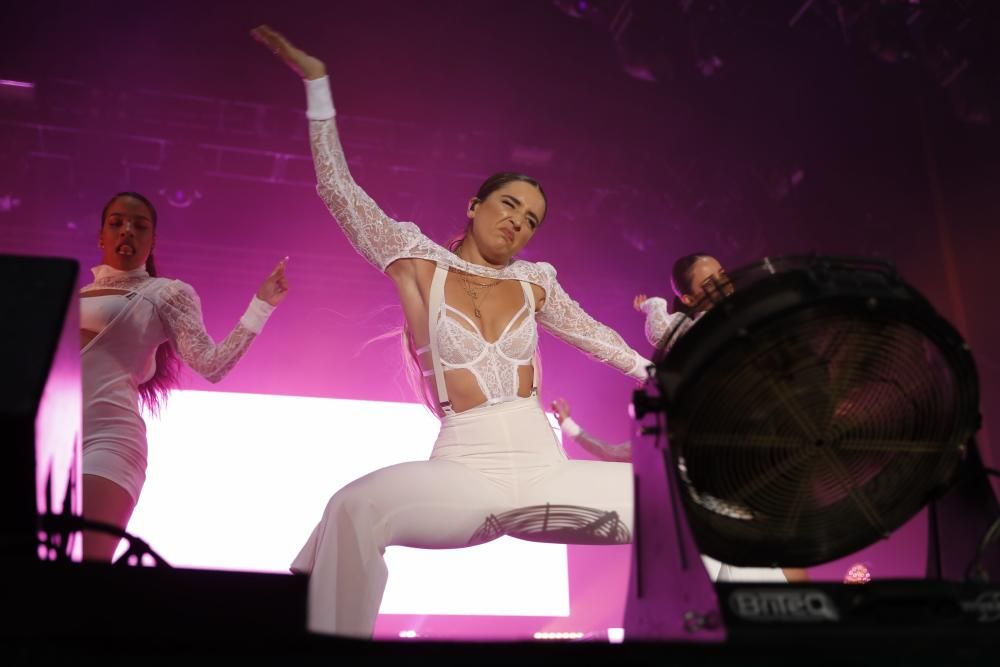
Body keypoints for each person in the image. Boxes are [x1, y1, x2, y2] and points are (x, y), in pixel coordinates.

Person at [252, 25, 654, 638]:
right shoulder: (415, 260)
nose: (518, 224)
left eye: (531, 220)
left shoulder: (536, 280)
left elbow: (599, 337)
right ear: (475, 205)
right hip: (464, 470)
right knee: (352, 509)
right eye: (509, 206)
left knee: (688, 503)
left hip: (546, 469)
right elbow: (339, 190)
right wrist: (317, 84)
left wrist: (662, 375)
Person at [80, 191, 289, 562]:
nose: (127, 230)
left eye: (139, 226)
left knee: (82, 565)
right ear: (101, 236)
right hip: (52, 439)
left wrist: (261, 306)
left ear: (152, 240)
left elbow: (212, 364)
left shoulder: (164, 294)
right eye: (116, 223)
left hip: (109, 442)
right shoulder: (71, 293)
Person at [549, 397, 810, 583]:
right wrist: (569, 426)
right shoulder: (659, 439)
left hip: (747, 531)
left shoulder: (738, 435)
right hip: (697, 537)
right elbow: (610, 452)